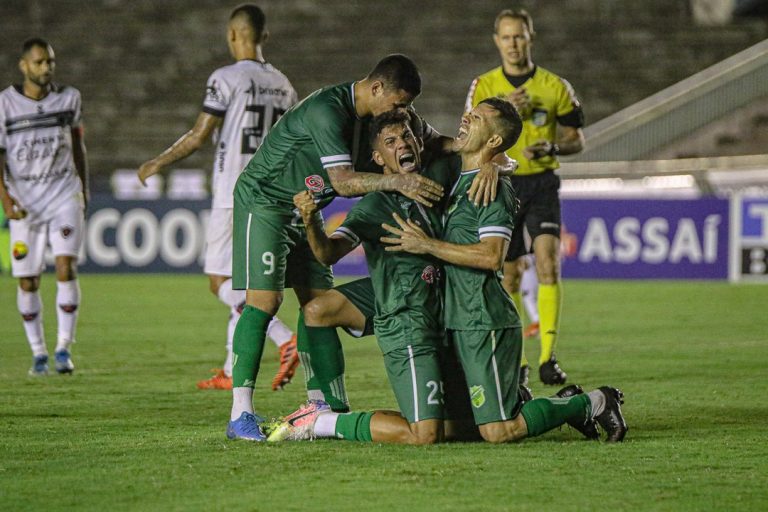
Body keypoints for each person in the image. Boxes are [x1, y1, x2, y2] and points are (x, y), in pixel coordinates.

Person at [226, 53, 500, 441]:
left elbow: (437, 142)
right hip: (267, 200)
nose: (404, 111)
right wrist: (397, 182)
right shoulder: (327, 110)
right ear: (377, 88)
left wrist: (484, 159)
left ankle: (324, 406)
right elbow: (341, 182)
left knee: (318, 306)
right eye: (399, 103)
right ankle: (240, 414)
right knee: (265, 301)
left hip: (308, 208)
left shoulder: (388, 119)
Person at [380, 98, 626, 443]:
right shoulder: (462, 176)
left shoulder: (491, 189)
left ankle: (596, 402)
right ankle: (546, 402)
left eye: (477, 118)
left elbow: (492, 256)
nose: (466, 118)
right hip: (457, 320)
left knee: (497, 431)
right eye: (470, 113)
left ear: (494, 140)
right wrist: (497, 164)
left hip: (484, 319)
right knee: (456, 426)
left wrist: (427, 245)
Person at [268, 110, 473, 444]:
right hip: (398, 301)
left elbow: (487, 153)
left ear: (419, 142)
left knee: (470, 425)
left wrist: (492, 166)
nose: (402, 144)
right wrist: (310, 219)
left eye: (406, 136)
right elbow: (329, 253)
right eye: (390, 142)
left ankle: (325, 417)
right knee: (317, 310)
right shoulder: (374, 206)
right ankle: (325, 410)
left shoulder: (442, 171)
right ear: (378, 158)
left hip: (442, 296)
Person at [137, 4, 299, 392]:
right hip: (270, 195)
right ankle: (230, 369)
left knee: (220, 281)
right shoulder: (285, 85)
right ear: (264, 36)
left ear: (232, 35)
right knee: (244, 281)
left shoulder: (225, 78)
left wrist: (157, 162)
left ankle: (283, 337)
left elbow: (198, 136)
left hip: (233, 192)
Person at [465, 8, 585, 386]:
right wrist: (505, 113)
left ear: (530, 37)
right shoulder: (484, 86)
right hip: (503, 182)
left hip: (542, 182)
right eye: (506, 37)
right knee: (510, 275)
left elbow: (576, 138)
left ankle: (548, 357)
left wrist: (554, 146)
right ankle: (518, 361)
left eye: (519, 36)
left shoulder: (555, 86)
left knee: (548, 262)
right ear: (496, 41)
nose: (513, 44)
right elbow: (469, 138)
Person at [0, 38, 88, 376]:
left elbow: (78, 146)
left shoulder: (69, 98)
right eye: (39, 62)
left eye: (49, 61)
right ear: (24, 65)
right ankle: (38, 352)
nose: (46, 67)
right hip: (25, 203)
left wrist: (84, 189)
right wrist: (6, 199)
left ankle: (64, 348)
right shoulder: (6, 104)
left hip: (63, 194)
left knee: (66, 267)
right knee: (28, 281)